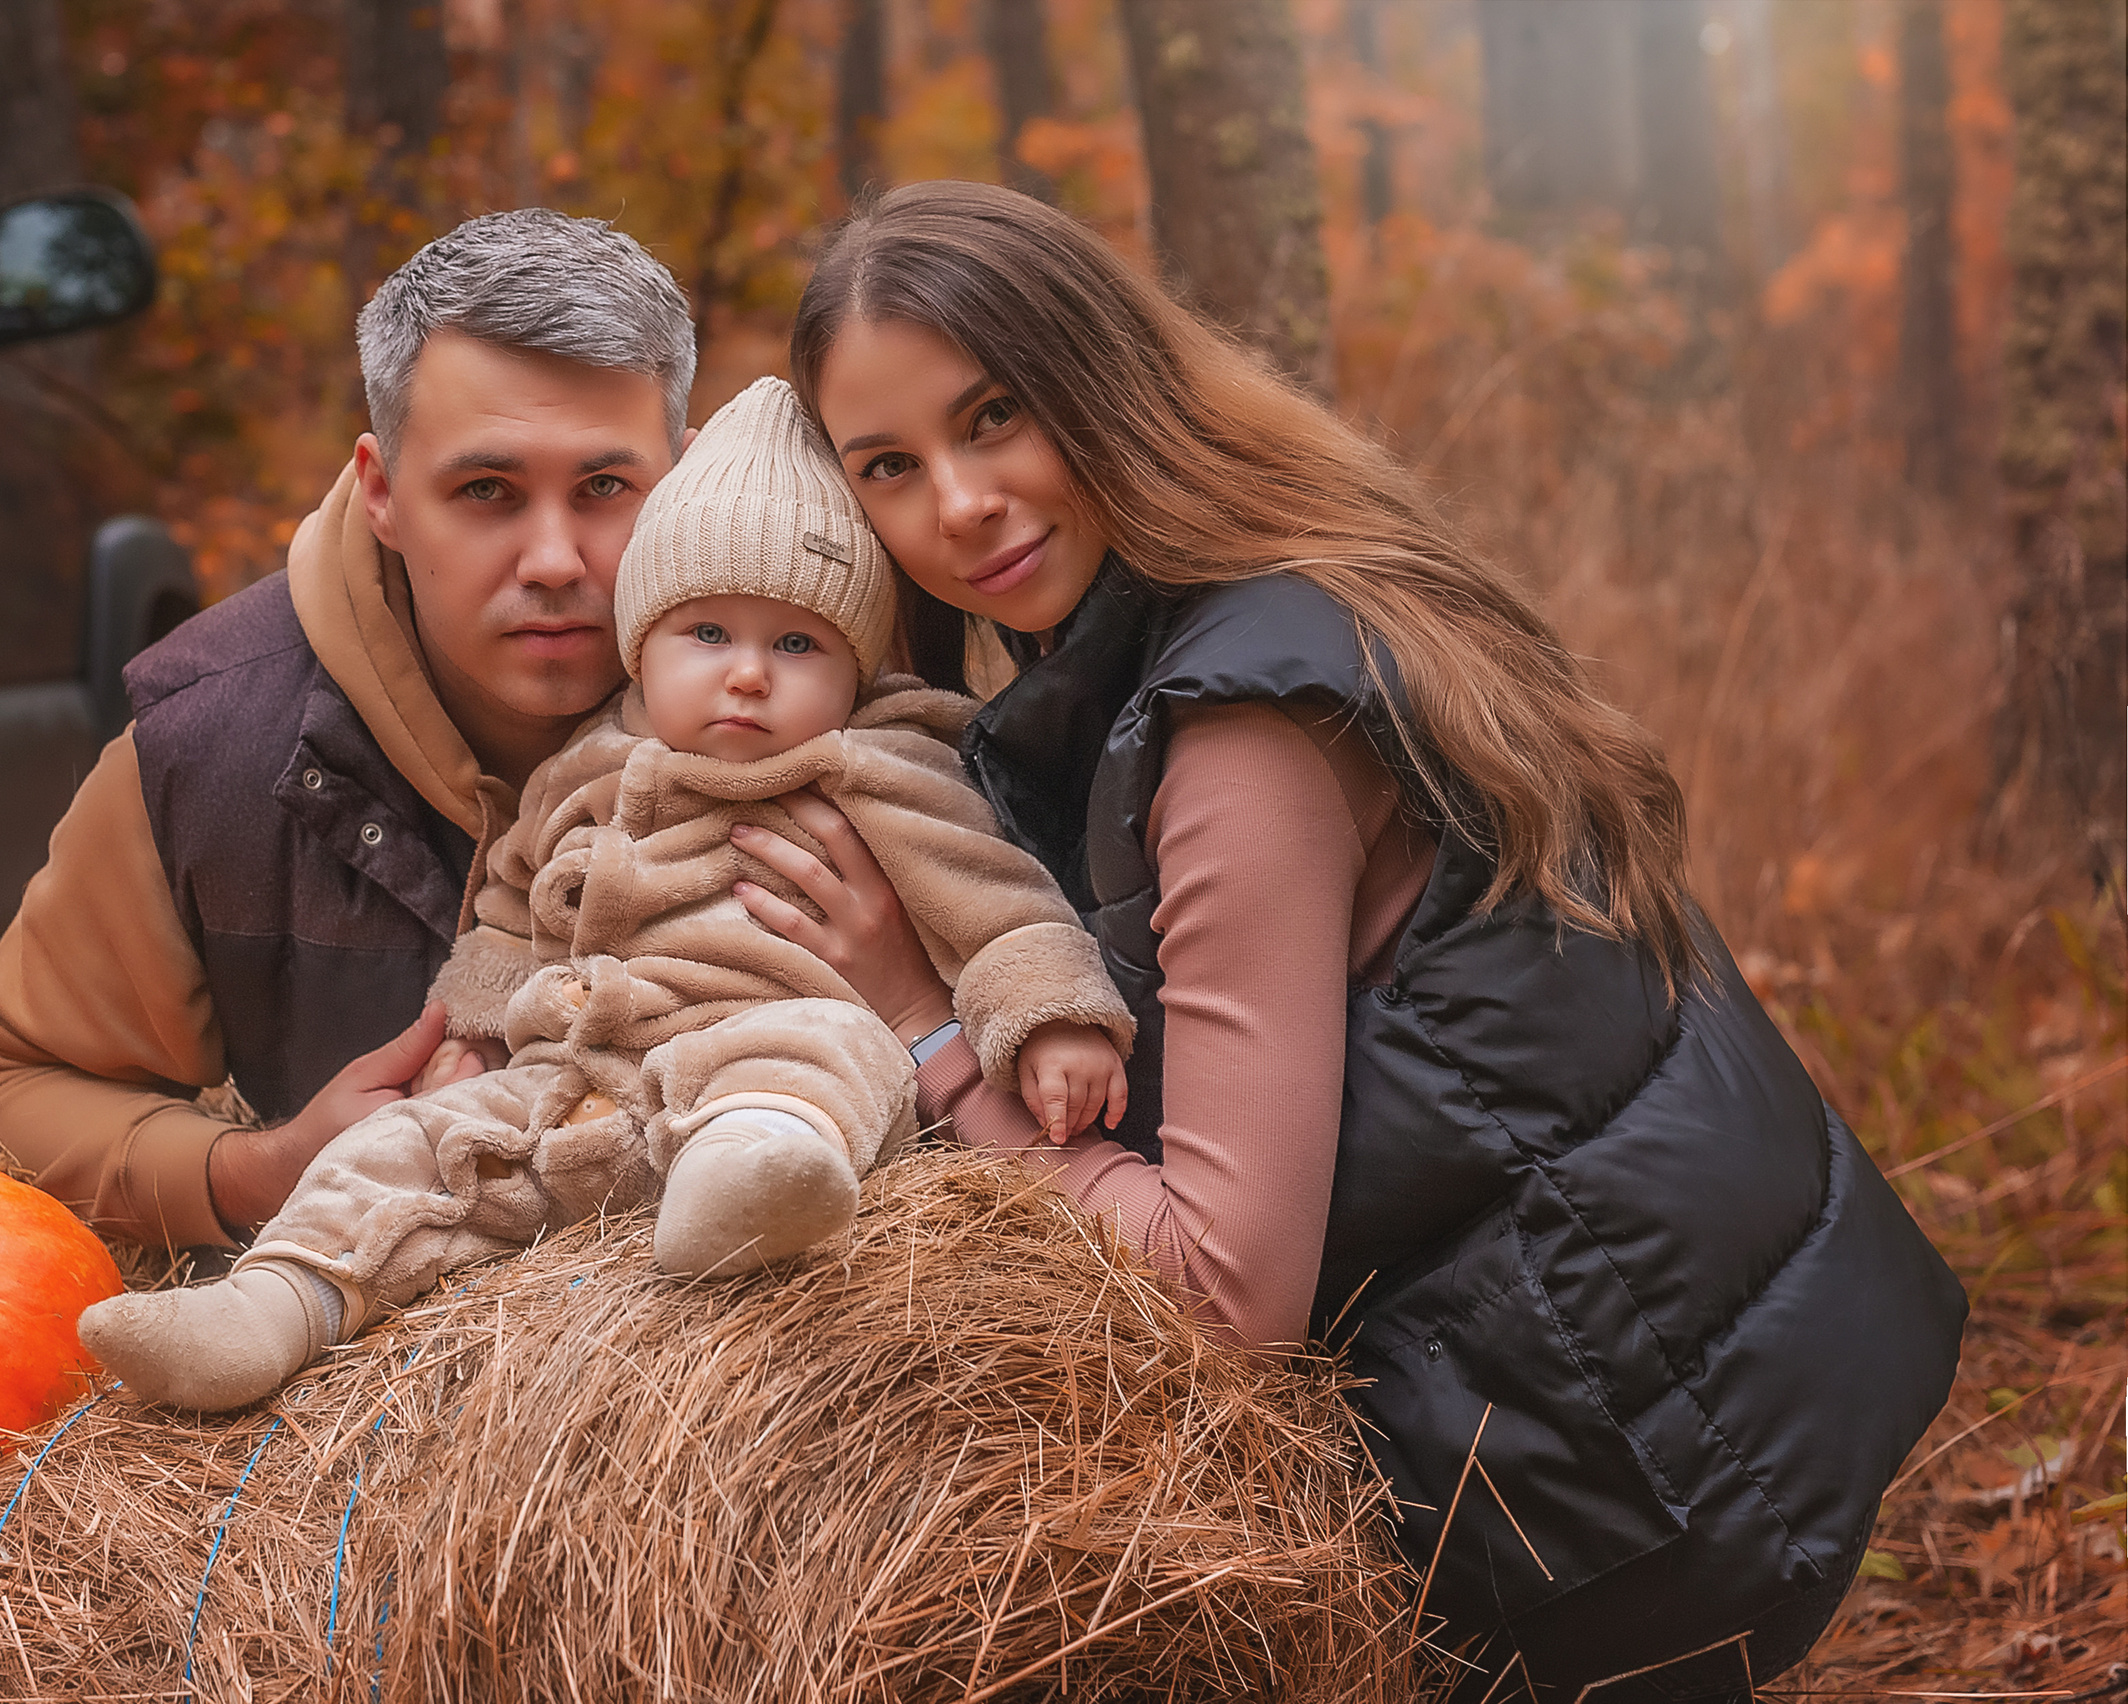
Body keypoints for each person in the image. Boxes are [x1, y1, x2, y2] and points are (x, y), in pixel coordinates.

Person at [763, 181, 1968, 1697]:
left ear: (1101, 383)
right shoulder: (1260, 594)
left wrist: (925, 1026)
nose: (959, 502)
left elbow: (1221, 1302)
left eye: (995, 415)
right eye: (891, 465)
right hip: (1708, 1395)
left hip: (1625, 1513)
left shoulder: (1245, 728)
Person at [76, 377, 1133, 1412]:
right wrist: (473, 1036)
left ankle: (745, 1186)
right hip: (576, 1080)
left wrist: (1049, 1018)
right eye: (707, 635)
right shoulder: (586, 762)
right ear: (644, 644)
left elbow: (994, 896)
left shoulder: (881, 765)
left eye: (797, 643)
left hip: (754, 1045)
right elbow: (506, 905)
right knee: (403, 1149)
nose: (749, 675)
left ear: (856, 670)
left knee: (827, 1051)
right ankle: (274, 1303)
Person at [0, 209, 706, 1252]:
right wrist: (258, 1172)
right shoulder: (209, 748)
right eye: (485, 491)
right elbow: (11, 1078)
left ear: (690, 474)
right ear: (383, 490)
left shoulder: (832, 688)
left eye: (605, 488)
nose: (551, 559)